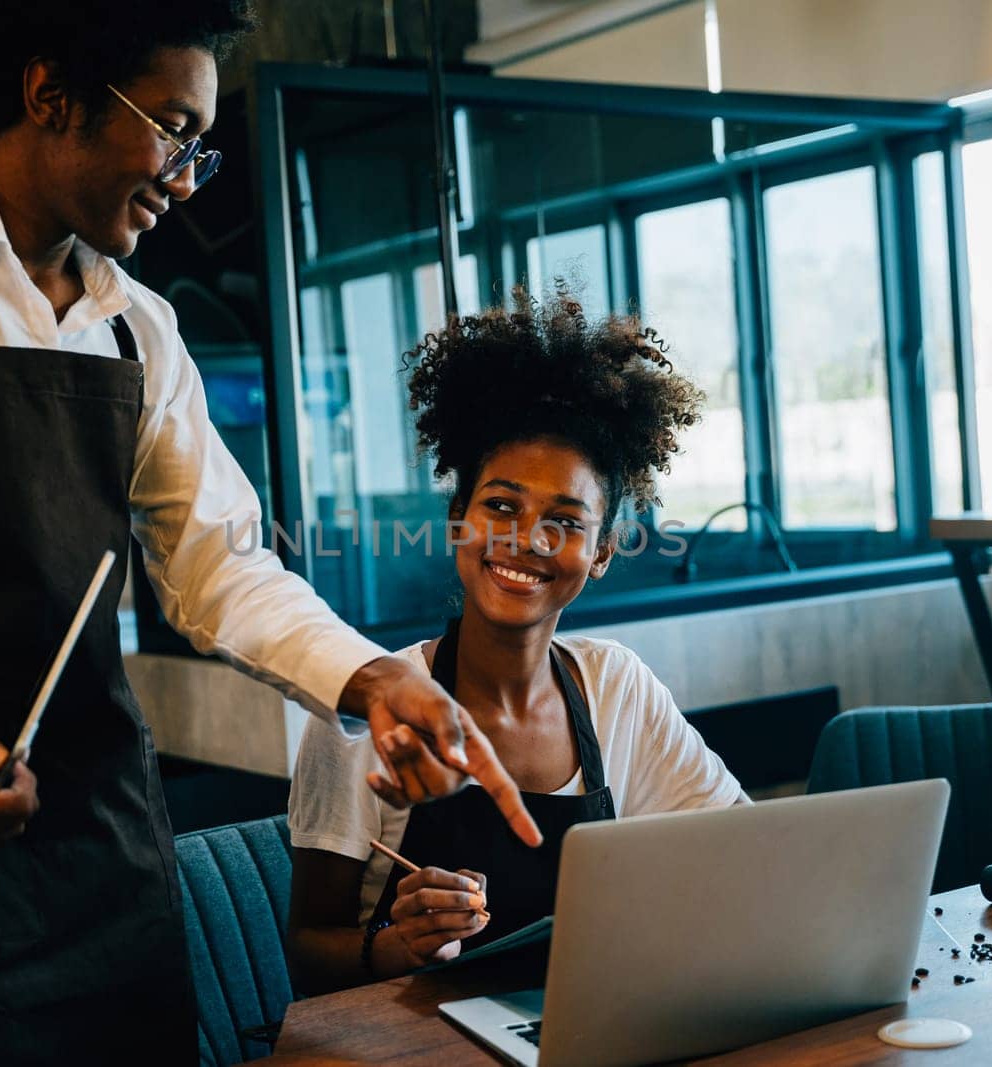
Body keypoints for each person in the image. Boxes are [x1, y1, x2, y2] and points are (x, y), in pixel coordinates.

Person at [0, 2, 538, 1062]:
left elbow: (220, 567)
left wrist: (368, 679)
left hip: (113, 866)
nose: (184, 174)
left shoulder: (139, 328)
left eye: (198, 147)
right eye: (173, 128)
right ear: (50, 95)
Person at [285, 285, 752, 993]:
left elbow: (742, 851)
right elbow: (305, 952)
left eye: (565, 519)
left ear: (601, 552)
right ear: (457, 519)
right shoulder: (369, 711)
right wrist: (394, 942)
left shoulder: (615, 686)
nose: (526, 539)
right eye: (500, 504)